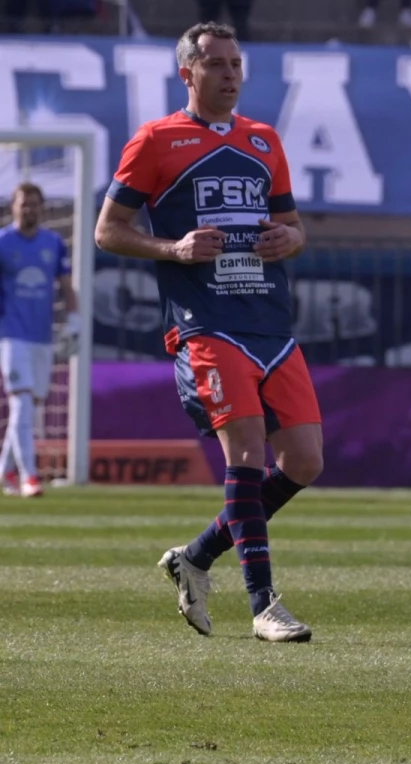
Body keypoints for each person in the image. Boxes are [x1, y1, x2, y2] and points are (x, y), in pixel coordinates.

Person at [94, 22, 322, 641]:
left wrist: (290, 239)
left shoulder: (263, 140)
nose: (229, 75)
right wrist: (175, 246)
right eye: (216, 64)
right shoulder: (156, 141)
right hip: (206, 325)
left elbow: (294, 226)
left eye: (236, 64)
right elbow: (107, 230)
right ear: (187, 73)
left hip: (270, 323)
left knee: (304, 460)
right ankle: (264, 605)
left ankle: (195, 558)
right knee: (247, 453)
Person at [0, 183, 80, 498]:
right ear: (13, 207)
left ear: (42, 207)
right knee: (20, 403)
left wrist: (73, 320)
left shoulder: (53, 243)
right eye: (24, 204)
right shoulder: (3, 242)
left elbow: (65, 285)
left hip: (42, 336)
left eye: (34, 204)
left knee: (29, 408)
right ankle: (29, 477)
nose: (29, 209)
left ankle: (5, 469)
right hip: (10, 335)